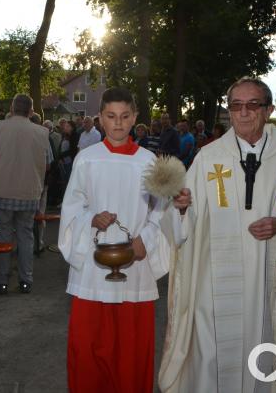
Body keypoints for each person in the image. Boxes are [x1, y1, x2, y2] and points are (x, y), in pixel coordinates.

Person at [159, 77, 276, 393]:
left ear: (268, 110)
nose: (244, 113)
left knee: (260, 359)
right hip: (213, 286)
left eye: (253, 105)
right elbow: (185, 215)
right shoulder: (209, 158)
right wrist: (180, 208)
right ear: (229, 111)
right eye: (236, 106)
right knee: (209, 354)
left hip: (267, 286)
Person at [59, 87, 184, 392]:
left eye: (125, 116)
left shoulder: (150, 161)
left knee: (131, 350)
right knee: (88, 347)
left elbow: (162, 210)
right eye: (111, 116)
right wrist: (92, 219)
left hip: (135, 264)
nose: (118, 123)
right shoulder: (86, 159)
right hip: (93, 264)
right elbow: (73, 207)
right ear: (100, 118)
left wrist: (148, 239)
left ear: (135, 118)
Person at [0, 94, 52, 294]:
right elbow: (47, 164)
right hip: (29, 192)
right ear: (30, 111)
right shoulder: (42, 132)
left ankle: (1, 279)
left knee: (2, 235)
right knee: (26, 237)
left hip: (1, 191)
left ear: (12, 108)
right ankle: (25, 280)